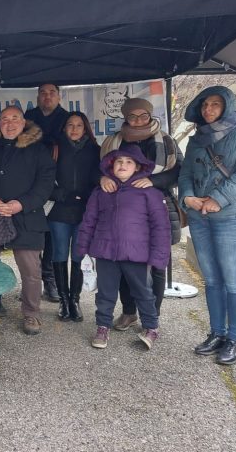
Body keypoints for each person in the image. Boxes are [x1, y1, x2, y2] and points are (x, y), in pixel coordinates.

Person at [178, 86, 236, 365]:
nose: (208, 109)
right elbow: (186, 172)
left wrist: (217, 198)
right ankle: (217, 332)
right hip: (201, 217)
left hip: (234, 217)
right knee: (212, 280)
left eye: (215, 104)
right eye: (204, 105)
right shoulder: (196, 139)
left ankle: (235, 339)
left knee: (234, 282)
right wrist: (187, 196)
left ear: (227, 105)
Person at [0, 106, 55, 332]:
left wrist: (21, 204)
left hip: (26, 218)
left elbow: (45, 184)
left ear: (23, 122)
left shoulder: (39, 150)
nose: (9, 123)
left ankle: (31, 314)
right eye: (4, 119)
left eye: (14, 118)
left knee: (31, 271)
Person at [100, 97, 183, 331]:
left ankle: (152, 317)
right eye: (133, 116)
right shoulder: (114, 141)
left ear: (150, 115)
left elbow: (179, 172)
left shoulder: (166, 141)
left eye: (143, 115)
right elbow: (103, 168)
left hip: (159, 206)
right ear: (126, 118)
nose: (138, 121)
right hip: (124, 210)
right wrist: (103, 177)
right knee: (125, 262)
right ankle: (128, 312)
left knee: (157, 265)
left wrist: (152, 180)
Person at [77, 145, 171, 350]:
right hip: (105, 251)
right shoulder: (101, 191)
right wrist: (82, 248)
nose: (123, 165)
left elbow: (161, 227)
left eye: (129, 162)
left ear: (137, 167)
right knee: (105, 293)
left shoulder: (150, 193)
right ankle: (102, 326)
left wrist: (159, 257)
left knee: (143, 292)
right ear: (112, 165)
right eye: (119, 161)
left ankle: (151, 327)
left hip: (136, 254)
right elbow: (88, 221)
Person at [47, 111, 101, 322]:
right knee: (60, 252)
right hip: (60, 209)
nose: (75, 129)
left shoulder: (95, 150)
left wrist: (86, 196)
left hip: (84, 210)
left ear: (86, 128)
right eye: (70, 125)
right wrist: (64, 195)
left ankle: (75, 300)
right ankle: (63, 300)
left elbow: (99, 178)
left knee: (78, 254)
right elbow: (44, 179)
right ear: (64, 128)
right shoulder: (54, 149)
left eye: (79, 125)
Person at [24, 83, 69, 303]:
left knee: (52, 234)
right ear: (37, 96)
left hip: (59, 183)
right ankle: (32, 281)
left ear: (59, 97)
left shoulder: (67, 118)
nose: (47, 96)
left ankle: (49, 278)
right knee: (33, 232)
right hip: (30, 183)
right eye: (43, 93)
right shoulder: (29, 116)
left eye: (52, 93)